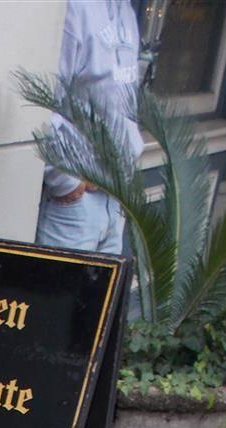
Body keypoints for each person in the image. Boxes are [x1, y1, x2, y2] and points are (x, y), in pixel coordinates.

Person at [35, 0, 143, 255]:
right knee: (58, 293)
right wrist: (65, 182)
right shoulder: (75, 8)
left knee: (100, 295)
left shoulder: (126, 11)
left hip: (114, 197)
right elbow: (44, 102)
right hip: (74, 206)